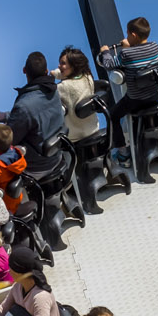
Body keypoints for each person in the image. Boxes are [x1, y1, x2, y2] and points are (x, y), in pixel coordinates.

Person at [98, 17, 158, 180]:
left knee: (112, 115)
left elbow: (109, 64)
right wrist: (131, 46)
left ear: (134, 34)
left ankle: (123, 154)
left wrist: (105, 51)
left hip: (135, 100)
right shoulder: (155, 47)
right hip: (154, 96)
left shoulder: (126, 54)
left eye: (128, 34)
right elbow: (141, 60)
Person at [55, 48, 104, 215]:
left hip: (75, 138)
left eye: (63, 63)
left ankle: (69, 192)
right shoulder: (88, 78)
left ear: (73, 66)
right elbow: (64, 75)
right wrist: (54, 73)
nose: (59, 66)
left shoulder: (62, 88)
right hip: (93, 131)